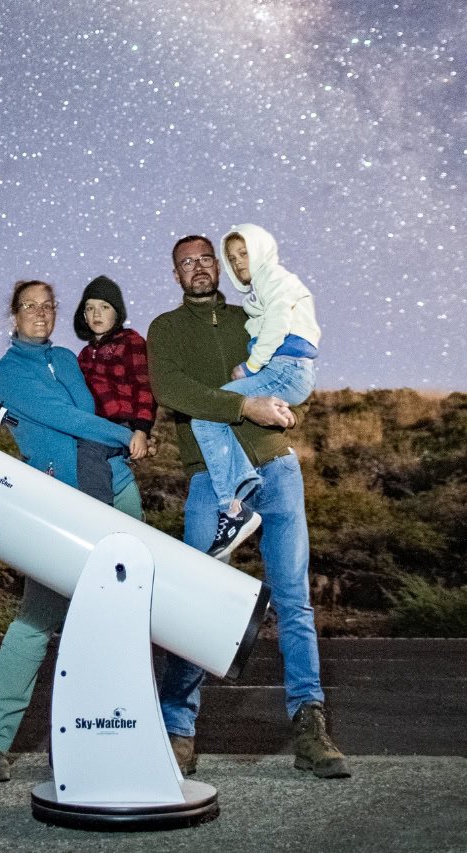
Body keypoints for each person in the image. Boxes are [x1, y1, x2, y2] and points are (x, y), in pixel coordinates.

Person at [145, 235, 350, 780]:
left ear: (221, 265)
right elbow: (171, 389)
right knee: (194, 602)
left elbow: (286, 371)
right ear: (175, 275)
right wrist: (244, 405)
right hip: (211, 481)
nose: (198, 268)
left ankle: (310, 727)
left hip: (278, 470)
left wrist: (278, 411)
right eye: (185, 263)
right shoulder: (165, 330)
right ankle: (177, 731)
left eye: (205, 258)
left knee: (294, 602)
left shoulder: (250, 316)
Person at [0, 279, 146, 784]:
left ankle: (109, 735)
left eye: (48, 306)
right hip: (60, 502)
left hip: (115, 486)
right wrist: (124, 435)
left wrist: (136, 429)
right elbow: (64, 418)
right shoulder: (9, 372)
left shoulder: (68, 359)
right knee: (37, 619)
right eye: (30, 307)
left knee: (122, 619)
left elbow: (99, 406)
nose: (41, 314)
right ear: (14, 315)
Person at [190, 223, 322, 560]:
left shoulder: (274, 279)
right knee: (214, 412)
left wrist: (251, 366)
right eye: (231, 258)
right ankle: (239, 493)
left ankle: (234, 507)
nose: (238, 263)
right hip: (288, 369)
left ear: (261, 249)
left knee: (207, 414)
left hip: (283, 366)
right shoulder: (262, 289)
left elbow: (278, 324)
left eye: (244, 253)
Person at [72, 275, 157, 477]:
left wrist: (142, 431)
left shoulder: (131, 342)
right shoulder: (84, 355)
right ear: (83, 315)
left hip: (123, 423)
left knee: (89, 454)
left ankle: (95, 507)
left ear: (117, 313)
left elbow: (144, 387)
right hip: (94, 425)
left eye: (104, 307)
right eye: (90, 308)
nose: (96, 314)